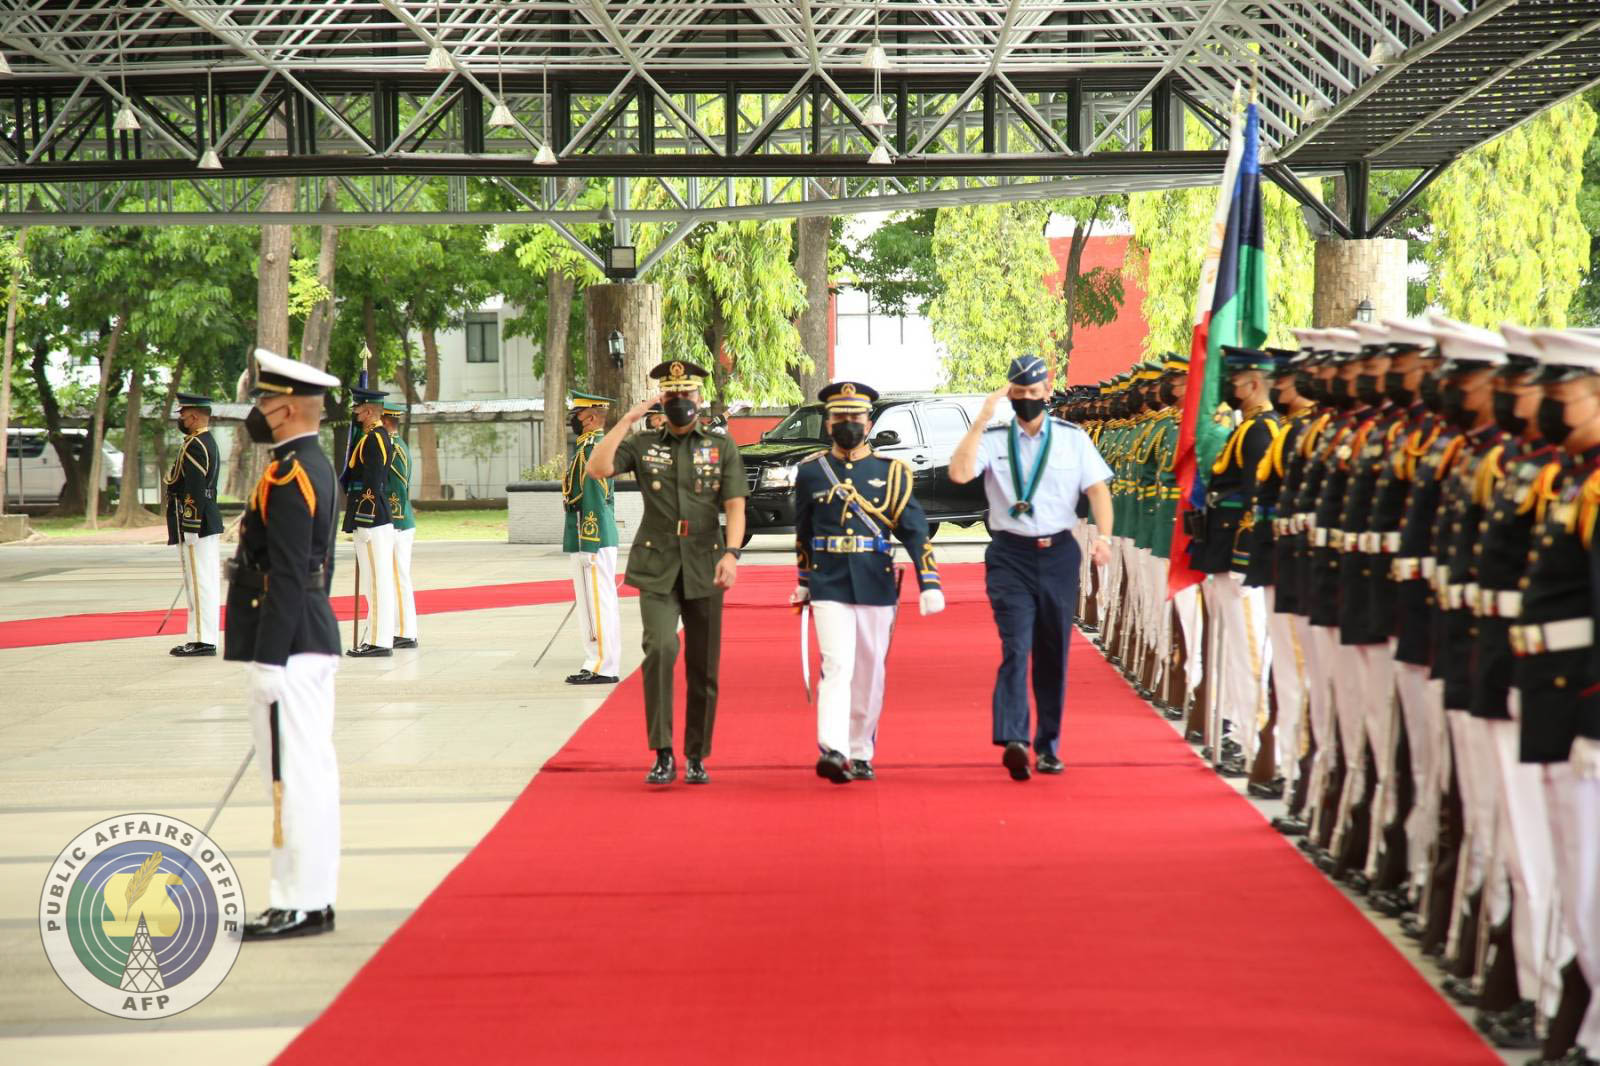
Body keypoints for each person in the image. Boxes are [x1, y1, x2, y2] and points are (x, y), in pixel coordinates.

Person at [950, 353, 1114, 781]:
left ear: (1047, 391)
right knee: (1016, 646)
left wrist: (1104, 537)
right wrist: (980, 419)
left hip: (1058, 554)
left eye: (1033, 393)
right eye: (1018, 394)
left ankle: (1049, 746)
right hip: (1010, 557)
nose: (1027, 400)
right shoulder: (993, 438)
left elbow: (1098, 491)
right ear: (1010, 395)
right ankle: (1015, 739)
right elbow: (959, 473)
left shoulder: (1072, 438)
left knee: (1052, 653)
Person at [225, 348, 342, 940]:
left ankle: (296, 900)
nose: (258, 411)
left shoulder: (291, 473)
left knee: (292, 777)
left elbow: (292, 573)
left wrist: (268, 657)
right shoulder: (309, 464)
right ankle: (312, 895)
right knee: (310, 773)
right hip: (308, 637)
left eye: (264, 402)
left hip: (291, 647)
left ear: (288, 408)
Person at [587, 361, 748, 785]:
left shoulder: (720, 446)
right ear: (663, 400)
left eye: (687, 395)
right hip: (657, 563)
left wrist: (731, 554)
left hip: (706, 562)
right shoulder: (641, 444)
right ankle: (662, 752)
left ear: (699, 399)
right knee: (659, 650)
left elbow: (735, 505)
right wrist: (627, 418)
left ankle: (696, 754)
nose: (681, 402)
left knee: (704, 665)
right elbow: (597, 468)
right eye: (671, 396)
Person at [791, 380, 944, 783]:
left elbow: (913, 528)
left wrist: (930, 581)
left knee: (870, 669)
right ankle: (833, 748)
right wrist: (804, 580)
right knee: (836, 664)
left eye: (855, 417)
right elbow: (804, 533)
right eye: (839, 417)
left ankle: (860, 750)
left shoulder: (892, 472)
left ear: (869, 422)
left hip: (875, 580)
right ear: (827, 424)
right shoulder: (810, 472)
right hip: (829, 580)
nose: (847, 423)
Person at [563, 390, 622, 686]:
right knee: (591, 603)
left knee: (599, 601)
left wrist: (590, 539)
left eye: (577, 415)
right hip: (585, 534)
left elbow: (597, 497)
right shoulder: (587, 445)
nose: (574, 420)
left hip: (593, 535)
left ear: (592, 418)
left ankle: (604, 665)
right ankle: (595, 660)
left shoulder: (595, 447)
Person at [164, 392, 223, 657]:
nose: (181, 419)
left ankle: (201, 639)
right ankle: (203, 636)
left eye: (184, 415)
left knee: (199, 581)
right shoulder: (204, 440)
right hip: (205, 518)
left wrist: (191, 522)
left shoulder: (196, 444)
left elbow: (196, 488)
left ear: (195, 416)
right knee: (203, 579)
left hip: (197, 521)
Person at [342, 387, 395, 658]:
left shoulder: (375, 438)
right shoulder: (373, 436)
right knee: (376, 581)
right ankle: (376, 636)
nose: (355, 414)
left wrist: (363, 517)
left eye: (358, 410)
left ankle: (378, 640)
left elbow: (373, 480)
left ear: (370, 411)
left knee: (376, 582)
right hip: (374, 516)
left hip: (372, 517)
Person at [380, 401, 418, 649]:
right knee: (396, 577)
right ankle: (402, 629)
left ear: (385, 421)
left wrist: (393, 518)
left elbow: (398, 486)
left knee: (398, 577)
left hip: (399, 521)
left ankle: (406, 632)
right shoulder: (393, 445)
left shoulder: (394, 448)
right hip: (398, 520)